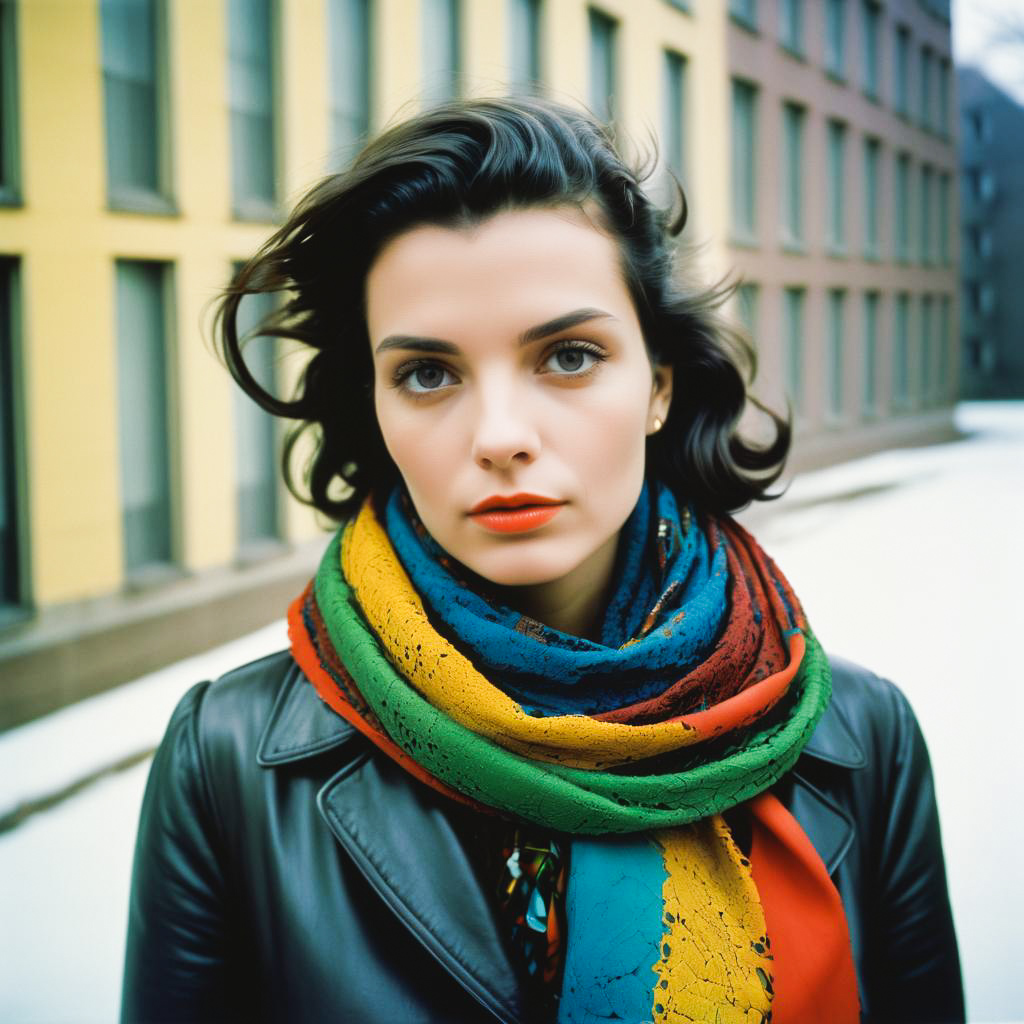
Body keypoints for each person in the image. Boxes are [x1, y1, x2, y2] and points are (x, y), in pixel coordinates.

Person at [120, 96, 964, 1024]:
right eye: (427, 373)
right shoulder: (231, 762)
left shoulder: (859, 739)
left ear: (658, 387)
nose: (500, 436)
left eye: (567, 355)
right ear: (375, 407)